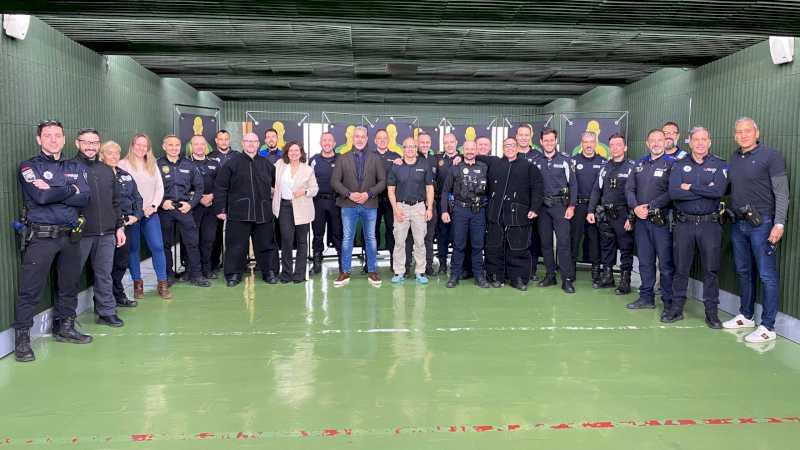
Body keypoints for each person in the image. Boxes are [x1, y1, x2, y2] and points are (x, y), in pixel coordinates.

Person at [13, 120, 92, 362]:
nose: (53, 139)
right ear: (39, 139)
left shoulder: (75, 166)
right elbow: (41, 195)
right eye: (47, 135)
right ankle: (23, 340)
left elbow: (86, 197)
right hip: (41, 238)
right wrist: (70, 190)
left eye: (58, 135)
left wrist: (55, 191)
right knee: (30, 290)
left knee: (68, 286)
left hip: (70, 236)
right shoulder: (29, 166)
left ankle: (65, 327)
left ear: (64, 139)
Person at [724, 117, 789, 343]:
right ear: (735, 135)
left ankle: (768, 326)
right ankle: (746, 316)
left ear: (757, 133)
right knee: (744, 271)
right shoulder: (734, 157)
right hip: (739, 224)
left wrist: (779, 223)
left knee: (766, 275)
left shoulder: (771, 156)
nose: (743, 135)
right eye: (739, 132)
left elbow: (782, 193)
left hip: (762, 224)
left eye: (747, 131)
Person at [666, 126, 727, 327]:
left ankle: (711, 313)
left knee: (711, 270)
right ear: (690, 142)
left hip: (710, 225)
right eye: (696, 139)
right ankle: (676, 309)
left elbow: (718, 191)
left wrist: (690, 187)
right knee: (681, 269)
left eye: (704, 139)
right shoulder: (678, 165)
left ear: (709, 142)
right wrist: (705, 190)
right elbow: (674, 193)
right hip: (684, 224)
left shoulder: (719, 165)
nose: (700, 143)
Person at [73, 129, 127, 327]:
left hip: (107, 234)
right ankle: (65, 319)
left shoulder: (106, 170)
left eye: (94, 142)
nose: (90, 146)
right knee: (71, 276)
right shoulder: (70, 167)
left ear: (99, 145)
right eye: (86, 142)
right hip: (79, 235)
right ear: (77, 143)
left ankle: (106, 311)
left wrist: (119, 227)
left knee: (104, 274)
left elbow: (115, 201)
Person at [478, 137, 544, 291]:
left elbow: (537, 188)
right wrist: (458, 157)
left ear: (517, 148)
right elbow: (475, 156)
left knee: (518, 247)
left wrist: (534, 208)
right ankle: (495, 276)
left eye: (512, 145)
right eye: (506, 146)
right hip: (496, 212)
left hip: (519, 214)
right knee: (494, 246)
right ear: (502, 148)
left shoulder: (528, 167)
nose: (509, 148)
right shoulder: (494, 163)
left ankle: (518, 278)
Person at [214, 132, 278, 286]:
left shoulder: (267, 164)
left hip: (263, 212)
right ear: (242, 143)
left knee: (266, 244)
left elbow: (277, 186)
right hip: (238, 213)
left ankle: (269, 272)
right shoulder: (231, 163)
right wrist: (221, 209)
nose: (251, 144)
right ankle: (234, 274)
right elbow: (221, 187)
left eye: (254, 141)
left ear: (258, 144)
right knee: (236, 245)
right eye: (248, 141)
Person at [625, 129, 675, 313]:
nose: (656, 143)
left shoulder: (672, 164)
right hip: (641, 221)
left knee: (665, 263)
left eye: (659, 140)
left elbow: (672, 191)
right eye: (652, 140)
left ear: (665, 142)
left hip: (661, 221)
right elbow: (629, 189)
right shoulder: (639, 163)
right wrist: (636, 207)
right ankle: (646, 297)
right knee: (645, 261)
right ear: (647, 143)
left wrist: (651, 206)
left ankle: (669, 302)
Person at [330, 126, 386, 287]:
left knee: (371, 238)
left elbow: (382, 181)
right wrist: (349, 194)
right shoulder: (342, 158)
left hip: (369, 204)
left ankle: (372, 271)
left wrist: (368, 194)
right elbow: (335, 181)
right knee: (347, 238)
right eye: (357, 137)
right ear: (352, 139)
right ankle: (345, 272)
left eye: (363, 137)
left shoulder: (375, 158)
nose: (360, 139)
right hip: (348, 204)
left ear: (367, 139)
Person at [118, 134, 172, 299]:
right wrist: (134, 212)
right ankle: (137, 284)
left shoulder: (152, 164)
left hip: (150, 213)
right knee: (133, 249)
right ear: (132, 145)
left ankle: (162, 283)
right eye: (138, 145)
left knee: (157, 246)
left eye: (145, 145)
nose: (141, 148)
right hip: (133, 216)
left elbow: (160, 189)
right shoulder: (122, 164)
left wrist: (154, 205)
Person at [157, 135, 210, 287]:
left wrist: (191, 204)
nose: (174, 148)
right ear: (164, 146)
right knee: (165, 244)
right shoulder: (156, 165)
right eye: (170, 145)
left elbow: (199, 187)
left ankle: (196, 275)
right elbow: (151, 188)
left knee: (192, 243)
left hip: (184, 209)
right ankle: (168, 275)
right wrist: (161, 202)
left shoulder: (189, 164)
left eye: (177, 145)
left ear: (181, 147)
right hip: (165, 209)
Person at [587, 133, 635, 294]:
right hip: (605, 214)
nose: (615, 148)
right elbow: (596, 190)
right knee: (606, 247)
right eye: (612, 145)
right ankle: (607, 278)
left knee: (625, 248)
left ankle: (625, 281)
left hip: (623, 215)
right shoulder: (605, 167)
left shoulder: (632, 168)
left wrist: (631, 217)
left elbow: (636, 194)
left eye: (618, 145)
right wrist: (590, 210)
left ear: (625, 147)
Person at [532, 128, 577, 293]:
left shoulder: (565, 160)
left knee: (564, 244)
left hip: (561, 207)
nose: (549, 143)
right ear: (541, 142)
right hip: (543, 208)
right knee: (546, 244)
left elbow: (573, 184)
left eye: (552, 140)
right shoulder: (536, 161)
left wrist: (571, 206)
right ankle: (550, 275)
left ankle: (567, 279)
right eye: (546, 140)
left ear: (556, 141)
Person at [440, 140, 490, 288]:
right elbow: (445, 191)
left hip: (478, 211)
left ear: (476, 150)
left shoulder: (484, 167)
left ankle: (479, 276)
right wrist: (444, 211)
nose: (469, 151)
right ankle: (454, 275)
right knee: (458, 244)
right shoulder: (455, 168)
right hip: (460, 211)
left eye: (472, 149)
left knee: (477, 245)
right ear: (463, 150)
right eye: (467, 149)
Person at [100, 141, 143, 309]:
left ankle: (118, 295)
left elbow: (137, 198)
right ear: (102, 155)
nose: (114, 156)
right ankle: (105, 300)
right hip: (107, 226)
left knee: (121, 263)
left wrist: (136, 216)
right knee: (105, 265)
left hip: (127, 225)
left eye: (117, 153)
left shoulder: (125, 175)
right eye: (109, 153)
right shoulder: (98, 175)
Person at [388, 137, 434, 284]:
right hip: (401, 207)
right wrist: (395, 209)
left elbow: (429, 188)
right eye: (407, 147)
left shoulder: (424, 164)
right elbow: (390, 190)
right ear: (403, 148)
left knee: (420, 242)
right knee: (399, 242)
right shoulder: (396, 166)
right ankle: (399, 272)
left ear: (416, 148)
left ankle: (420, 272)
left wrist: (430, 208)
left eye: (413, 147)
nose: (410, 149)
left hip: (419, 207)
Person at [272, 141, 318, 283]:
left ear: (301, 152)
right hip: (284, 207)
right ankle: (286, 274)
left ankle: (299, 274)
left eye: (296, 150)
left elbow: (314, 189)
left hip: (302, 208)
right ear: (287, 152)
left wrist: (304, 191)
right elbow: (269, 180)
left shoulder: (308, 169)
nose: (293, 153)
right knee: (286, 240)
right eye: (291, 150)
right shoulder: (279, 165)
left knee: (302, 242)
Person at [571, 131, 606, 285]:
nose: (589, 145)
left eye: (592, 141)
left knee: (594, 241)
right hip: (577, 207)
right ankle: (570, 272)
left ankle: (596, 273)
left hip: (595, 208)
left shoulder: (603, 162)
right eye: (586, 142)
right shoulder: (573, 161)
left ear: (596, 143)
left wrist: (594, 209)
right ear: (581, 143)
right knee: (574, 240)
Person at [188, 135, 220, 279]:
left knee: (208, 239)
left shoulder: (214, 163)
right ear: (191, 146)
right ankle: (192, 270)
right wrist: (199, 198)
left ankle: (207, 269)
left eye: (202, 144)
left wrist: (211, 196)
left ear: (206, 146)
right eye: (196, 144)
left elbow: (221, 185)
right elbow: (182, 187)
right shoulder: (185, 163)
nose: (199, 147)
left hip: (211, 207)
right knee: (192, 240)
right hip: (192, 207)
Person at [310, 132, 342, 274]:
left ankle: (343, 262)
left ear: (334, 143)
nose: (327, 143)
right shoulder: (313, 160)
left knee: (338, 233)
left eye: (330, 140)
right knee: (317, 233)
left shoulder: (341, 159)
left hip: (336, 202)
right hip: (318, 202)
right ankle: (317, 262)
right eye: (324, 140)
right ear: (320, 143)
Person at [208, 129, 236, 270]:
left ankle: (233, 263)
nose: (223, 142)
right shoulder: (210, 157)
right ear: (216, 141)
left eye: (226, 139)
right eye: (221, 139)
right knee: (215, 235)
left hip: (234, 201)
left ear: (229, 140)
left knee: (234, 234)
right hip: (216, 200)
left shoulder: (237, 156)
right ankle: (214, 264)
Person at [433, 133, 461, 274]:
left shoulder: (463, 158)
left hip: (459, 203)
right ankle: (443, 264)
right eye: (446, 142)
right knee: (442, 234)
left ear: (457, 142)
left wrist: (461, 158)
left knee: (458, 234)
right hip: (441, 203)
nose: (449, 145)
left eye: (452, 141)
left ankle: (457, 265)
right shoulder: (438, 159)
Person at [372, 129, 400, 266]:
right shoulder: (370, 156)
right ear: (375, 140)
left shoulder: (396, 156)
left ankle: (394, 262)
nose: (382, 140)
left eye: (384, 138)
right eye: (379, 138)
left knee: (392, 230)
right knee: (372, 231)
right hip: (372, 200)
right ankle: (370, 263)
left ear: (388, 140)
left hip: (391, 201)